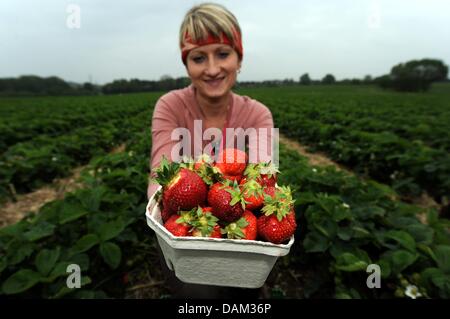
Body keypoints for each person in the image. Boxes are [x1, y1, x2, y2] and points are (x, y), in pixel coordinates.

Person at [148, 2, 275, 299]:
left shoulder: (257, 114)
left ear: (239, 58)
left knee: (246, 288)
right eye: (198, 57)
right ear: (186, 64)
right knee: (198, 291)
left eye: (222, 53)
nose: (212, 69)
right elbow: (161, 176)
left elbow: (263, 182)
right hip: (185, 233)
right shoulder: (170, 106)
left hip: (239, 227)